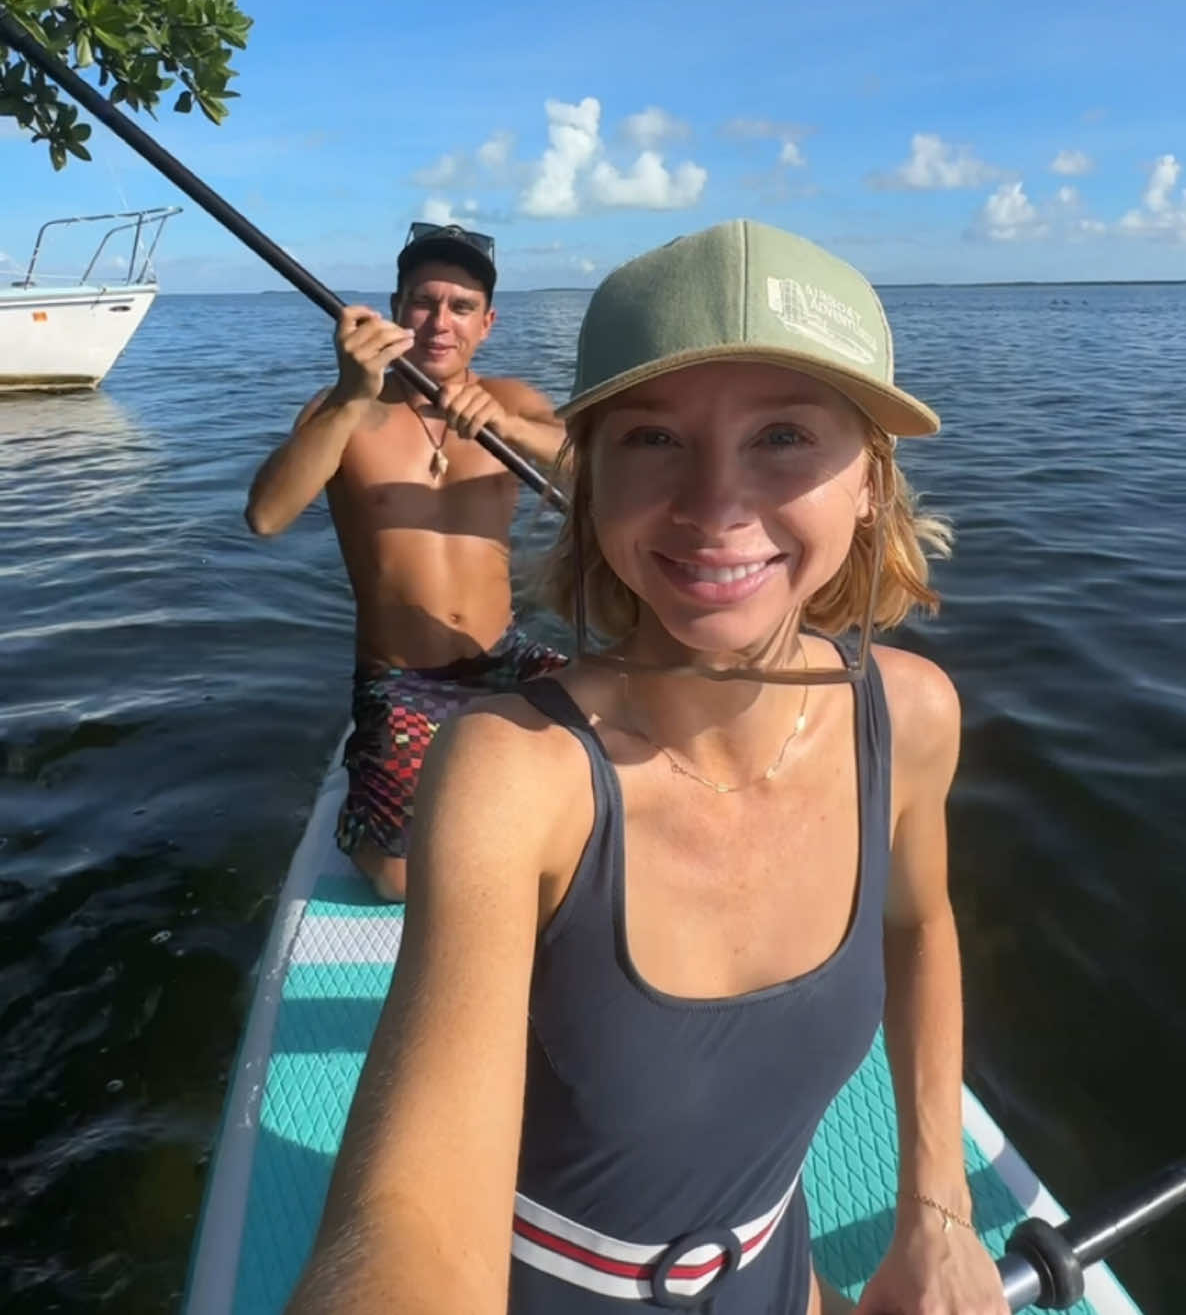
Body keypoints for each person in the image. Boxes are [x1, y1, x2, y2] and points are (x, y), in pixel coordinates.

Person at [284, 219, 1008, 1315]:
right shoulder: (509, 771)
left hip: (778, 1268)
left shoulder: (909, 716)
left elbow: (917, 922)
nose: (716, 505)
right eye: (654, 440)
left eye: (782, 435)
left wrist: (935, 1208)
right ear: (599, 482)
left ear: (870, 477)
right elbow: (410, 1223)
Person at [245, 221, 566, 903]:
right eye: (423, 301)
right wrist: (352, 393)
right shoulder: (344, 413)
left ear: (488, 322)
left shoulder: (516, 402)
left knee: (631, 736)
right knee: (393, 873)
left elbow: (603, 472)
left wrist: (511, 429)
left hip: (503, 656)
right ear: (393, 311)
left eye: (461, 306)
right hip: (403, 677)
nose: (439, 321)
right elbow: (266, 516)